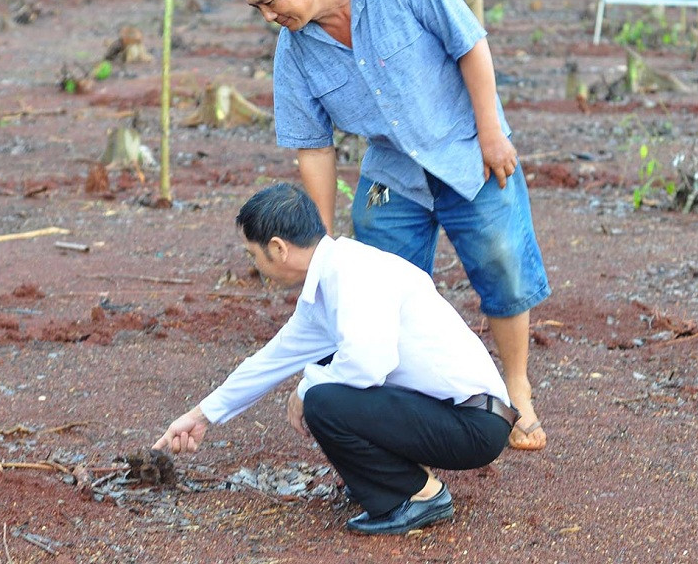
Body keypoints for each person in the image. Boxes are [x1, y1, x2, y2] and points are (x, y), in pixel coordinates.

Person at [230, 0, 550, 450]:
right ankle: (413, 412)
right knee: (375, 287)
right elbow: (314, 147)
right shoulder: (294, 52)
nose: (269, 17)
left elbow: (470, 44)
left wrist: (492, 132)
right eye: (258, 10)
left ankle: (516, 384)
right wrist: (321, 239)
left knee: (502, 262)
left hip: (465, 144)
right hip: (391, 171)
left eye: (270, 1)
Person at [153, 183, 519, 535]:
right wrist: (200, 415)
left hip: (474, 425)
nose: (254, 265)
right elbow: (270, 361)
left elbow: (368, 365)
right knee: (325, 385)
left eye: (253, 254)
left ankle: (419, 494)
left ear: (278, 248)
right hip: (453, 415)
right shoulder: (328, 282)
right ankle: (395, 481)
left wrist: (307, 386)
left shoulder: (354, 274)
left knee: (323, 398)